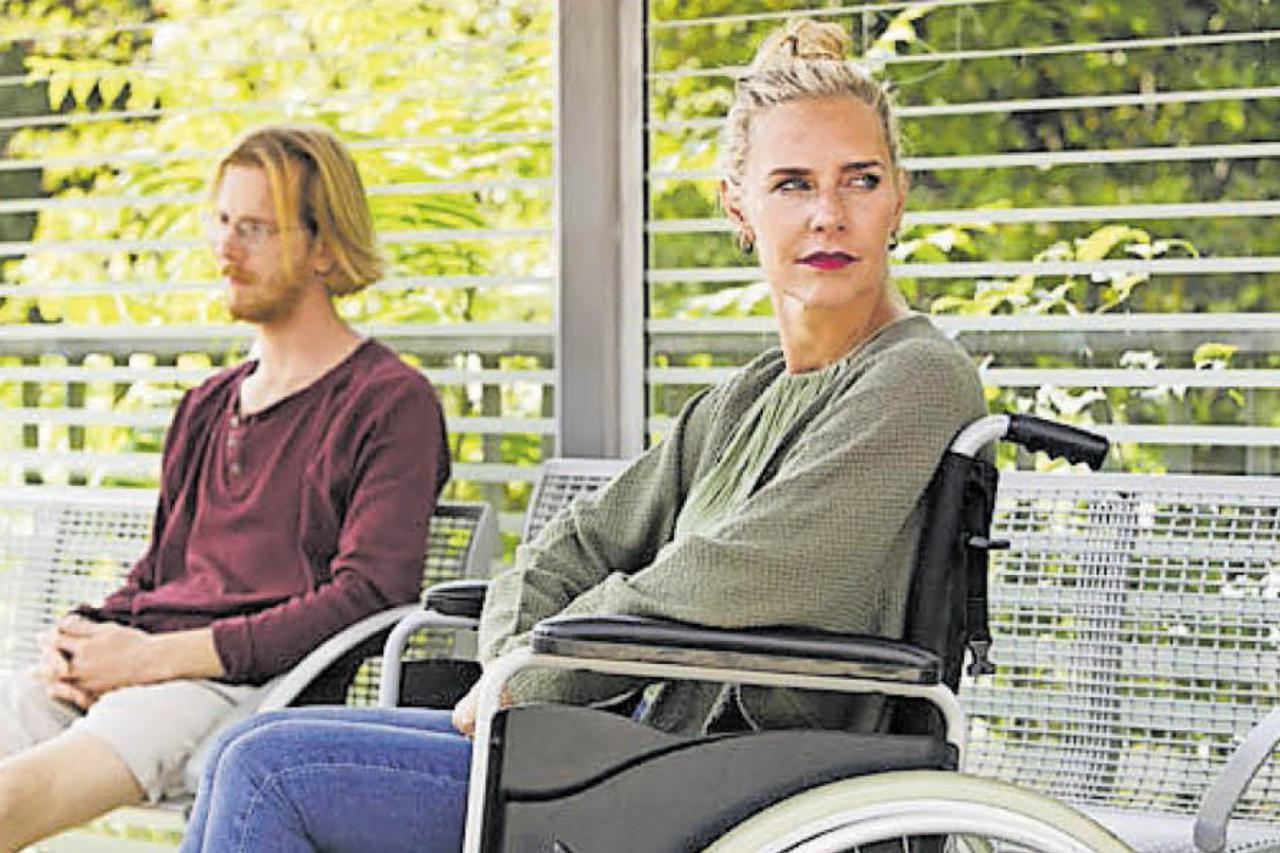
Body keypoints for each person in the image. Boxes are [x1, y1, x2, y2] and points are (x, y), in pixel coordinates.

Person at [180, 19, 985, 853]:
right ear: (737, 206)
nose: (828, 214)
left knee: (271, 770)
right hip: (637, 754)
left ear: (898, 198)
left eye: (860, 180)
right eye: (792, 184)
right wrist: (513, 665)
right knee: (246, 747)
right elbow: (573, 544)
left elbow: (748, 575)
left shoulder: (918, 377)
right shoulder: (741, 402)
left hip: (751, 781)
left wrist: (543, 675)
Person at [0, 123, 450, 850]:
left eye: (256, 229)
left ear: (326, 246)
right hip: (145, 666)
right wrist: (82, 635)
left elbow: (371, 594)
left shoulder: (389, 402)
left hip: (242, 689)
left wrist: (154, 658)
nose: (226, 249)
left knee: (11, 798)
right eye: (222, 222)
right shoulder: (208, 403)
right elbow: (161, 571)